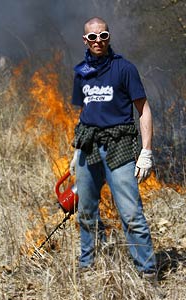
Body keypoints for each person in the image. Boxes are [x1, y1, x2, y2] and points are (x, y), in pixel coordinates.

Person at [69, 16, 157, 277]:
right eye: (93, 37)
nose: (98, 41)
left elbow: (143, 110)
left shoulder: (125, 69)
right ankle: (87, 266)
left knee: (131, 214)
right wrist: (76, 151)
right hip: (88, 149)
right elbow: (85, 111)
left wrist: (146, 151)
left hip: (119, 148)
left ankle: (147, 271)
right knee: (85, 212)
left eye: (103, 36)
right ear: (85, 40)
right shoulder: (80, 72)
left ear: (109, 37)